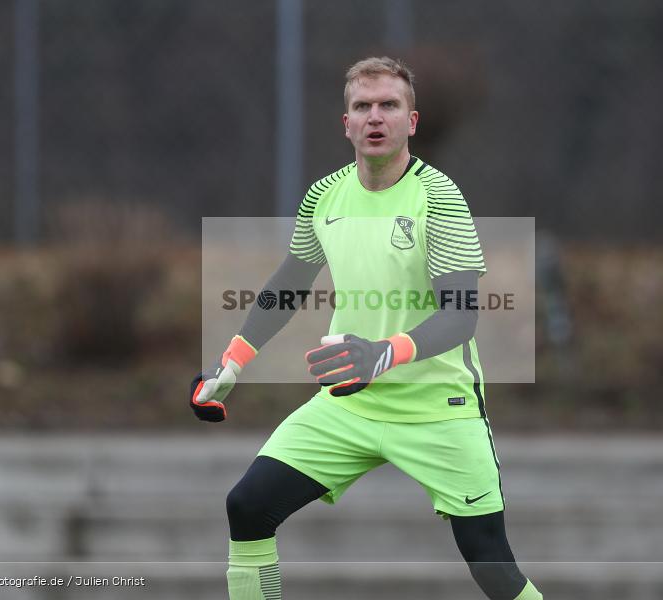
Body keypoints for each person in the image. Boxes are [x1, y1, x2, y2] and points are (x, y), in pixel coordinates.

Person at [191, 56, 542, 600]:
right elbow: (289, 285)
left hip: (438, 408)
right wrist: (231, 361)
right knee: (247, 506)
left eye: (389, 105)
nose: (375, 117)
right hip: (349, 404)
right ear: (347, 123)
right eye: (363, 106)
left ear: (412, 121)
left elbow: (460, 313)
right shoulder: (324, 196)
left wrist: (384, 353)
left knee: (492, 566)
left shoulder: (439, 197)